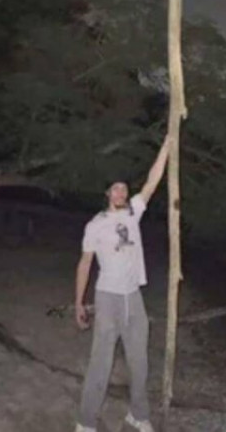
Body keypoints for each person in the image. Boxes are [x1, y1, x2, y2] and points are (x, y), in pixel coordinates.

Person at [74, 135, 170, 432]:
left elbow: (153, 181)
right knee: (100, 362)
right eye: (116, 188)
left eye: (124, 188)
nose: (121, 192)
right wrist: (79, 303)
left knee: (139, 362)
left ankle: (138, 415)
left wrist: (168, 144)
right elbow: (85, 264)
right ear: (107, 193)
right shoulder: (95, 225)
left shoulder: (133, 213)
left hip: (134, 299)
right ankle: (86, 422)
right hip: (108, 298)